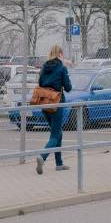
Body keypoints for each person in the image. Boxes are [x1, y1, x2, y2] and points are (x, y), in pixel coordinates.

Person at [35, 45, 73, 175]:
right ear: (61, 54)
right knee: (55, 135)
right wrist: (65, 70)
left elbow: (40, 83)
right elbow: (68, 87)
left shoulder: (44, 67)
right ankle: (42, 156)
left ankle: (59, 163)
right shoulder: (61, 68)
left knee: (57, 133)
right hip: (56, 103)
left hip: (44, 102)